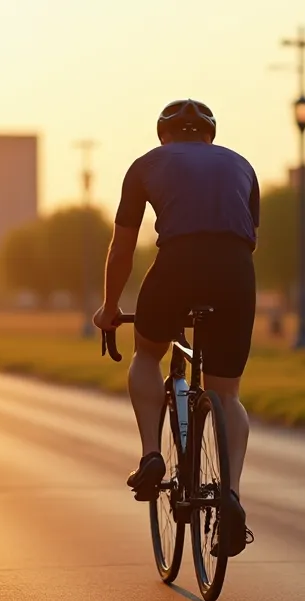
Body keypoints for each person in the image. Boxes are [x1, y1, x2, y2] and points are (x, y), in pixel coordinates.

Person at [92, 99, 259, 558]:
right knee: (228, 395)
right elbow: (248, 241)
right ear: (210, 135)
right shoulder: (242, 164)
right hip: (236, 274)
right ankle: (231, 494)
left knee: (147, 354)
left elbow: (121, 249)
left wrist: (110, 308)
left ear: (164, 135)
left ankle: (151, 456)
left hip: (176, 266)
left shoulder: (146, 164)